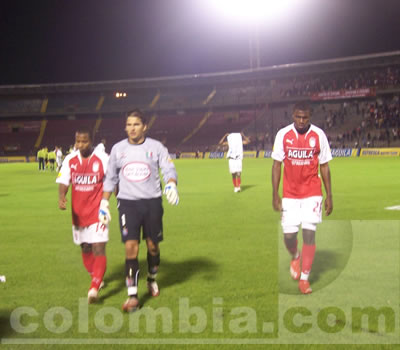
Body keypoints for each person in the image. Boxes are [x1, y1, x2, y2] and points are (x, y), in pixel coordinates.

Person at [99, 109, 179, 313]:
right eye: (128, 124)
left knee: (153, 246)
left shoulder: (156, 147)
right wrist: (104, 203)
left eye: (136, 124)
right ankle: (132, 296)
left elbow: (168, 168)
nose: (131, 128)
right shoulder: (118, 149)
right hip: (127, 204)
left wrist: (170, 184)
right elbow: (110, 178)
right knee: (131, 247)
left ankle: (151, 278)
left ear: (145, 126)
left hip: (152, 202)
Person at [271, 102, 333, 294]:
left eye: (305, 117)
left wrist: (329, 194)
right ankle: (295, 256)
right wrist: (275, 193)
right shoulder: (283, 135)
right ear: (292, 115)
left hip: (312, 192)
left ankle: (304, 279)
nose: (301, 120)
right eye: (298, 117)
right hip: (290, 193)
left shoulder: (318, 135)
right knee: (289, 237)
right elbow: (276, 165)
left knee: (309, 233)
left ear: (310, 117)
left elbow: (324, 166)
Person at [56, 128, 109, 303]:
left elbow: (111, 181)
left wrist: (113, 201)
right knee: (85, 248)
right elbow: (64, 180)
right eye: (78, 141)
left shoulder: (102, 159)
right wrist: (62, 196)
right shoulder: (70, 160)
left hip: (98, 211)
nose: (80, 145)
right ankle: (96, 276)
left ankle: (93, 288)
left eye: (84, 141)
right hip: (79, 213)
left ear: (91, 141)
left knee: (98, 248)